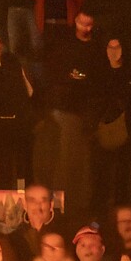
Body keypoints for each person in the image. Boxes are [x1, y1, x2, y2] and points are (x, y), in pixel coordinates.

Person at [43, 11, 101, 211]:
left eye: (89, 24)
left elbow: (97, 81)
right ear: (76, 21)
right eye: (83, 23)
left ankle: (80, 208)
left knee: (84, 165)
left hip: (88, 114)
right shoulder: (65, 45)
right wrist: (74, 78)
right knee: (65, 163)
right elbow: (56, 74)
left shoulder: (97, 47)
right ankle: (59, 209)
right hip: (66, 111)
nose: (86, 28)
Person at [91, 34, 131, 215]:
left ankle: (121, 211)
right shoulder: (99, 72)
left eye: (117, 47)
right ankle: (99, 214)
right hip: (102, 129)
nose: (113, 52)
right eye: (110, 48)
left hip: (124, 129)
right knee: (100, 176)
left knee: (122, 175)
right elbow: (94, 99)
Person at [0, 30, 34, 187]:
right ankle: (3, 200)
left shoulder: (13, 62)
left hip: (18, 122)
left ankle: (24, 196)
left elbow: (27, 90)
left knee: (22, 165)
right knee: (2, 165)